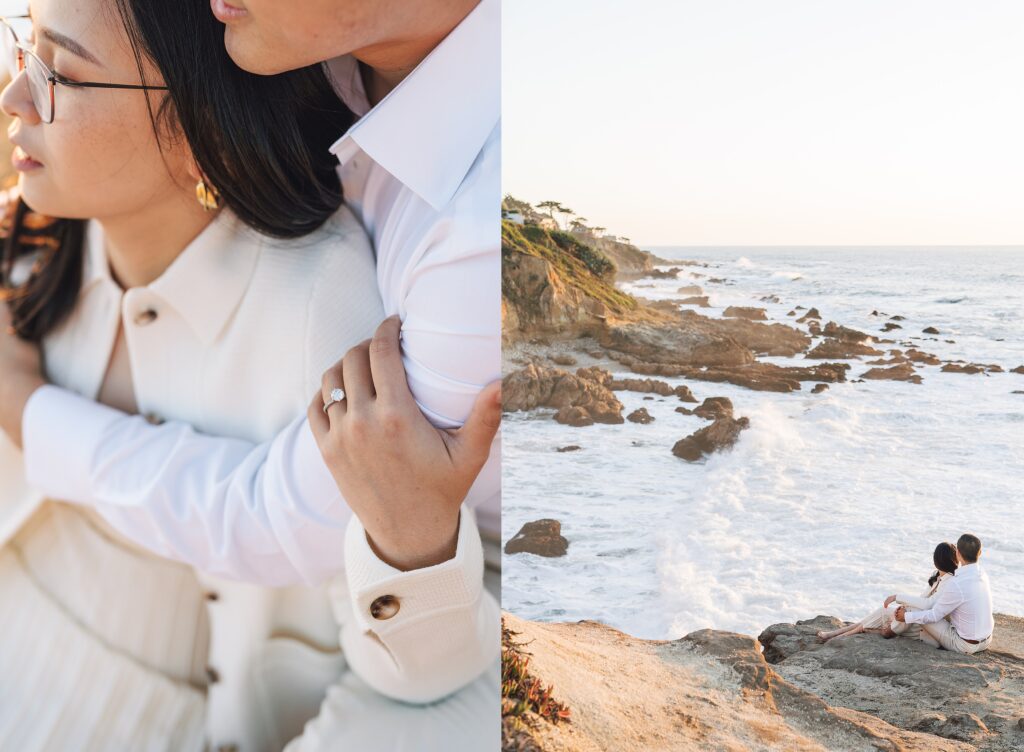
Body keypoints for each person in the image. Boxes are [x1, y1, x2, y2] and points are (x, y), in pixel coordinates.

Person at [0, 1, 498, 750]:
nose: (15, 98)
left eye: (61, 73)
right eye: (22, 51)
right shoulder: (42, 239)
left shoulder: (332, 317)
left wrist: (24, 408)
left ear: (204, 134)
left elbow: (410, 657)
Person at [817, 542, 958, 643]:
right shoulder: (937, 576)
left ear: (937, 560)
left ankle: (838, 637)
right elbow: (922, 600)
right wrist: (902, 610)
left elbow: (928, 605)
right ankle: (835, 634)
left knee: (877, 620)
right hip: (917, 618)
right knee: (882, 612)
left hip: (926, 626)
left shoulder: (950, 581)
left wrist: (898, 598)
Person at [894, 533, 995, 655]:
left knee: (915, 611)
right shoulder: (983, 574)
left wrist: (906, 616)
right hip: (986, 640)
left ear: (958, 554)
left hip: (965, 645)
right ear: (980, 553)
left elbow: (934, 616)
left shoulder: (957, 583)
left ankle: (892, 631)